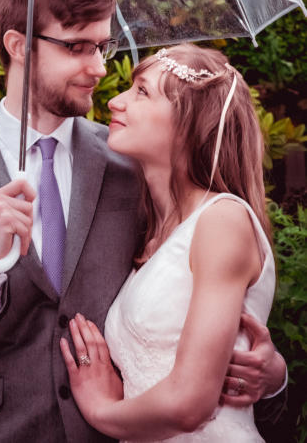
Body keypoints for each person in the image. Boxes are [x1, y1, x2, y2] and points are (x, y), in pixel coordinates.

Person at [0, 0, 286, 443]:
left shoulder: (135, 163)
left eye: (102, 46)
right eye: (77, 47)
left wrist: (271, 375)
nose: (100, 68)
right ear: (19, 46)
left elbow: (197, 297)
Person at [60, 43, 283, 442]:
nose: (114, 101)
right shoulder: (152, 228)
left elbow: (190, 402)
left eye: (142, 92)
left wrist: (101, 409)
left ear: (189, 123)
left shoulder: (222, 221)